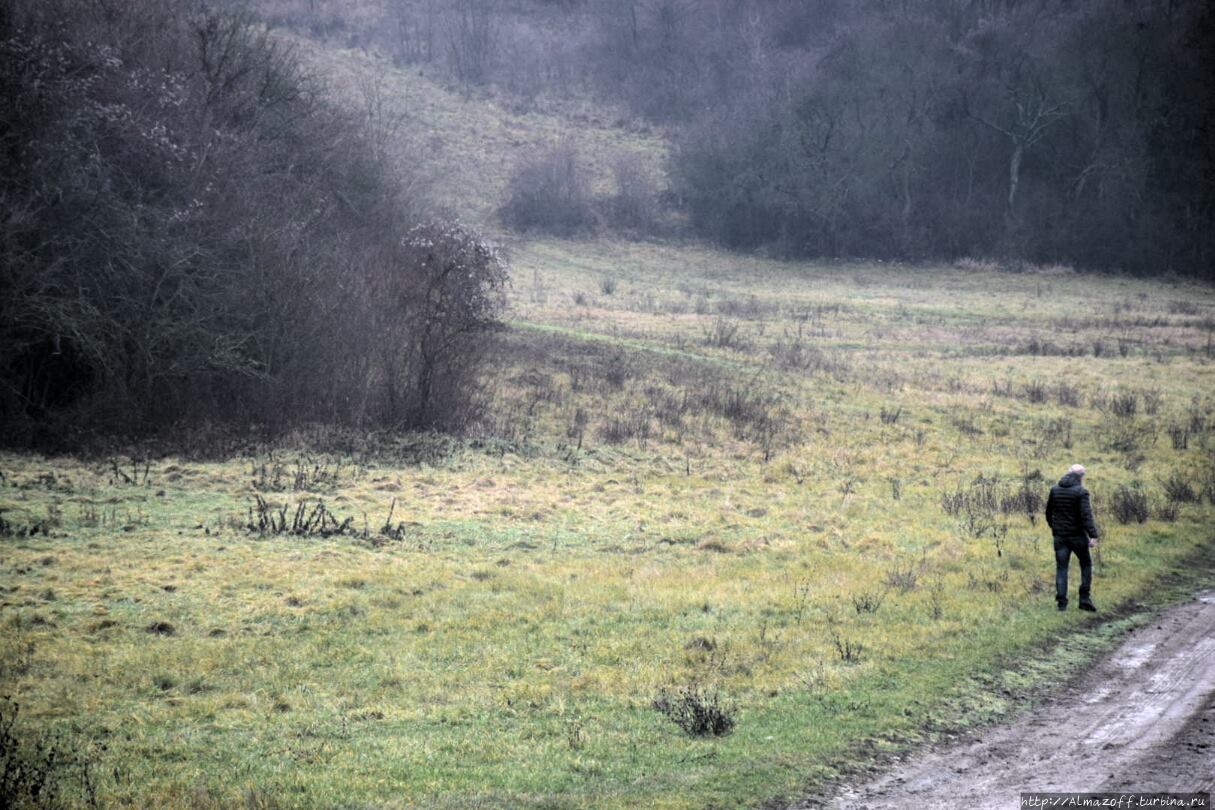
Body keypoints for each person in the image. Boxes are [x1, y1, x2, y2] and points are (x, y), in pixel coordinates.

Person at [1045, 464, 1100, 612]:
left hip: (1060, 537)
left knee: (1061, 568)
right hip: (1077, 537)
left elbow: (1048, 513)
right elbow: (1085, 516)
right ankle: (1084, 598)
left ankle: (1062, 604)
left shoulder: (1055, 490)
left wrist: (1055, 529)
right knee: (1086, 564)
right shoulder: (1081, 492)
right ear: (1081, 477)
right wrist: (1093, 535)